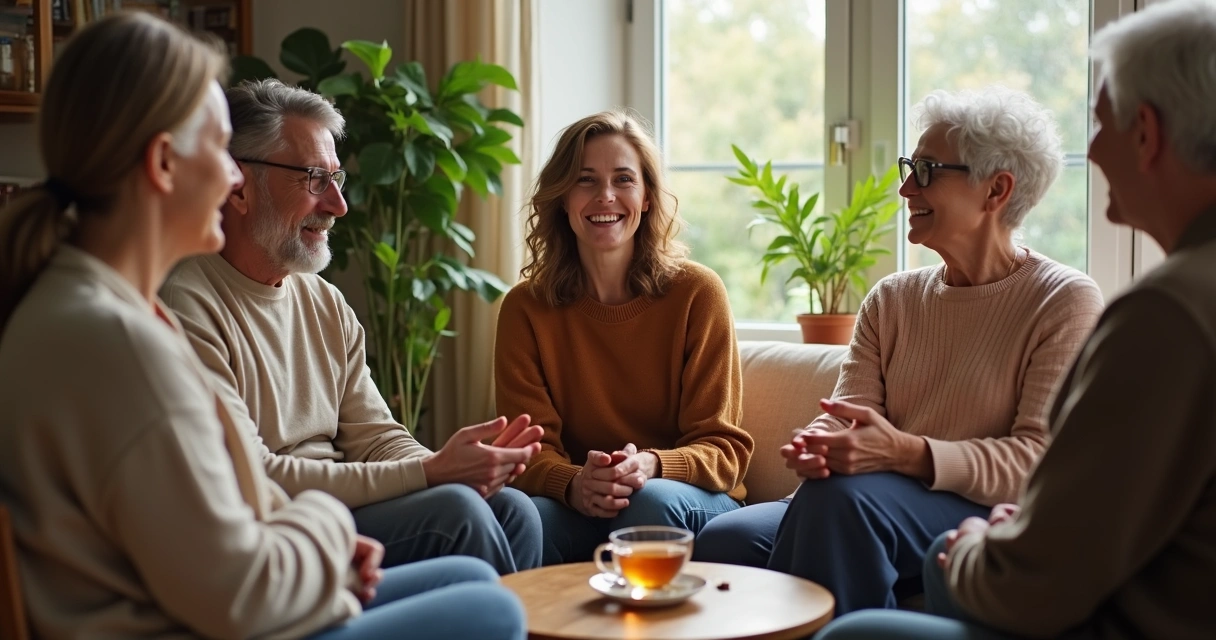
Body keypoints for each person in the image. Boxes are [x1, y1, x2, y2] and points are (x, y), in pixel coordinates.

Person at [0, 13, 524, 640]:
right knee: (492, 611)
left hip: (218, 597)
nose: (229, 177)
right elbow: (241, 594)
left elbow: (226, 521)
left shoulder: (96, 308)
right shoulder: (123, 341)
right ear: (165, 164)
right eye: (218, 153)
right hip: (203, 622)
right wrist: (328, 536)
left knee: (469, 580)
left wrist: (327, 537)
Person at [815, 1, 1216, 637]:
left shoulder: (1162, 312)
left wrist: (971, 545)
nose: (1091, 149)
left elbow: (1046, 553)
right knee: (748, 528)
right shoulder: (892, 297)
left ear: (1146, 132)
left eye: (1101, 120)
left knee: (854, 624)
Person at [694, 86, 1105, 614]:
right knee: (725, 540)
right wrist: (823, 441)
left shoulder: (1064, 300)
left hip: (983, 509)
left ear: (995, 191)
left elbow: (1037, 463)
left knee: (841, 502)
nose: (906, 187)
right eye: (910, 166)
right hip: (871, 498)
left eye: (928, 170)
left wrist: (907, 454)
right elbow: (850, 417)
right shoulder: (893, 298)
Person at [160, 78, 543, 575]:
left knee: (515, 510)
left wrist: (458, 467)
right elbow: (253, 473)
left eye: (337, 180)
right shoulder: (186, 304)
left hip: (346, 505)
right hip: (278, 526)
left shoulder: (324, 302)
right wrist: (432, 473)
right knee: (459, 515)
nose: (338, 206)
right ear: (239, 187)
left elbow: (377, 438)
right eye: (314, 178)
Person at [494, 109, 754, 565]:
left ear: (648, 197)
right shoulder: (525, 308)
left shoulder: (697, 293)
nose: (606, 196)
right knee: (517, 514)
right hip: (581, 500)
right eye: (586, 180)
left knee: (647, 504)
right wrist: (574, 484)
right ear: (562, 197)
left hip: (683, 498)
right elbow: (527, 450)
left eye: (623, 180)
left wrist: (651, 466)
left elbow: (725, 451)